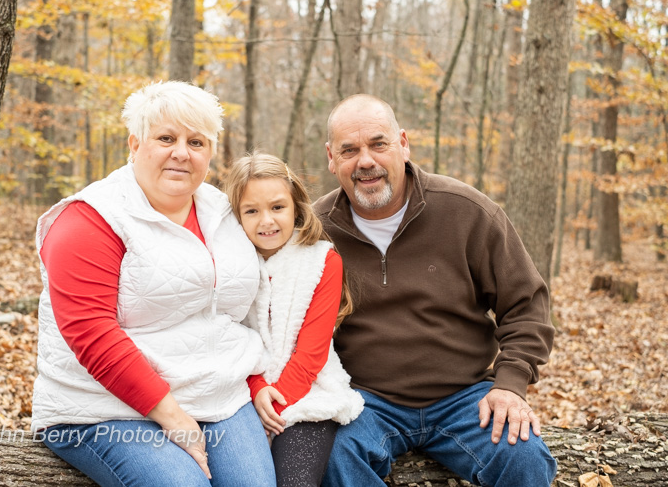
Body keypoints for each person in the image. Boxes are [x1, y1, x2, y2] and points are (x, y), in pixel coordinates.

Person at [31, 81, 275, 486]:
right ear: (135, 143)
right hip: (102, 407)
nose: (182, 152)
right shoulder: (90, 218)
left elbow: (245, 308)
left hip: (218, 397)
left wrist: (256, 379)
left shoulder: (226, 210)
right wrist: (174, 418)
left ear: (211, 152)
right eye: (166, 138)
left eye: (196, 142)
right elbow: (90, 333)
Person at [314, 94, 557, 487]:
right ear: (331, 156)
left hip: (465, 398)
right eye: (349, 150)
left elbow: (527, 305)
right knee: (329, 458)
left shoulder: (466, 212)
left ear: (403, 143)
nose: (366, 161)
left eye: (379, 144)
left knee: (525, 459)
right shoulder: (314, 231)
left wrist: (511, 385)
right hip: (365, 401)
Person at [224, 153, 364, 487]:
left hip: (308, 392)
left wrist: (276, 402)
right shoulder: (230, 265)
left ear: (296, 206)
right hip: (242, 394)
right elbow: (226, 337)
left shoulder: (321, 261)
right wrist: (257, 389)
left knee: (295, 481)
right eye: (251, 211)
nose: (266, 221)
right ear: (236, 216)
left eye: (277, 207)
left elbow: (312, 353)